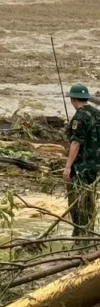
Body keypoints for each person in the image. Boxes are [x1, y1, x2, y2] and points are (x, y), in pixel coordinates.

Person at [63, 84, 100, 237]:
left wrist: (67, 167)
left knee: (77, 199)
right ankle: (89, 230)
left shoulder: (79, 117)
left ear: (73, 99)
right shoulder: (97, 113)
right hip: (96, 165)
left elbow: (76, 143)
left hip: (82, 166)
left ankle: (80, 231)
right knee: (89, 198)